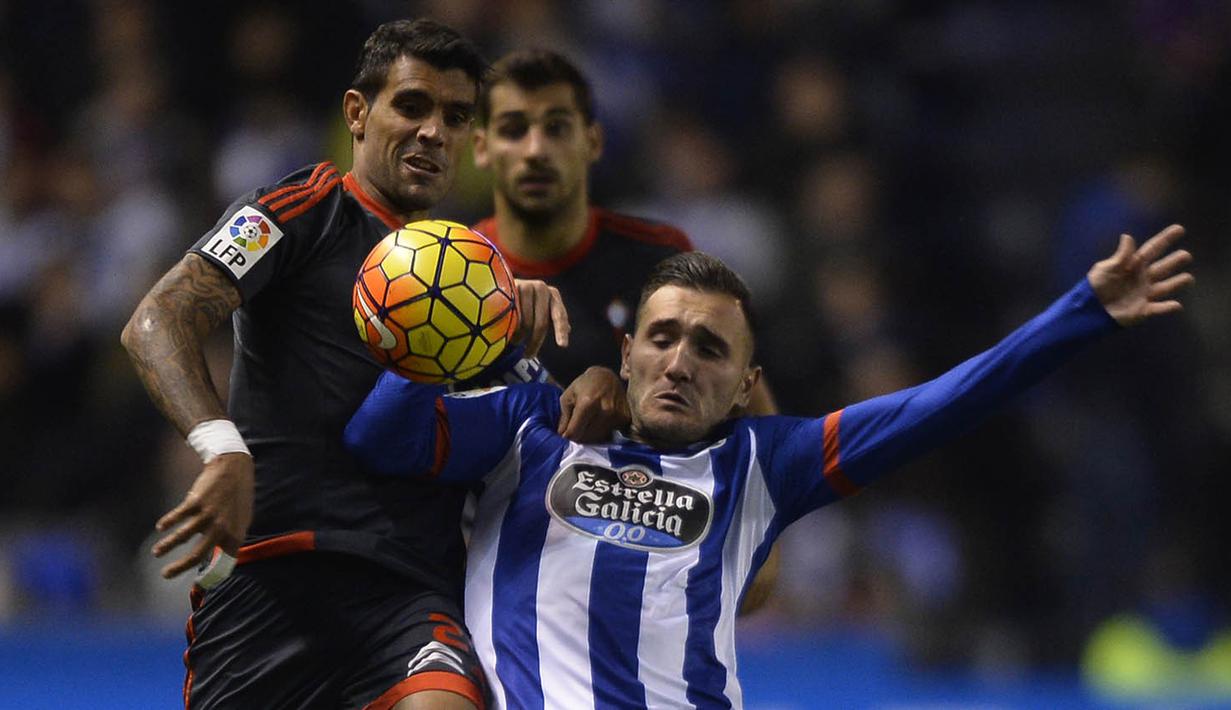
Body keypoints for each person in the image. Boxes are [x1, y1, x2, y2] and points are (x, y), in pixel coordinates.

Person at [345, 226, 1194, 708]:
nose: (681, 362)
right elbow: (378, 439)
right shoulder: (531, 425)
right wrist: (443, 338)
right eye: (662, 338)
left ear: (746, 385)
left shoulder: (765, 462)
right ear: (627, 352)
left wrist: (1081, 313)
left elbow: (943, 403)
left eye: (709, 349)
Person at [121, 19, 572, 710]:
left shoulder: (485, 280)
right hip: (270, 581)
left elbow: (545, 422)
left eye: (456, 117)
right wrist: (221, 447)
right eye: (412, 106)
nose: (433, 132)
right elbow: (158, 319)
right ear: (357, 114)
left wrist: (567, 369)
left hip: (409, 593)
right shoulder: (300, 212)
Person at [470, 49, 780, 608]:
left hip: (637, 546)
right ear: (481, 147)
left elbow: (747, 406)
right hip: (493, 558)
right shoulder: (452, 275)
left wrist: (764, 548)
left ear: (592, 141)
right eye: (514, 129)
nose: (536, 150)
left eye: (556, 128)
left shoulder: (656, 257)